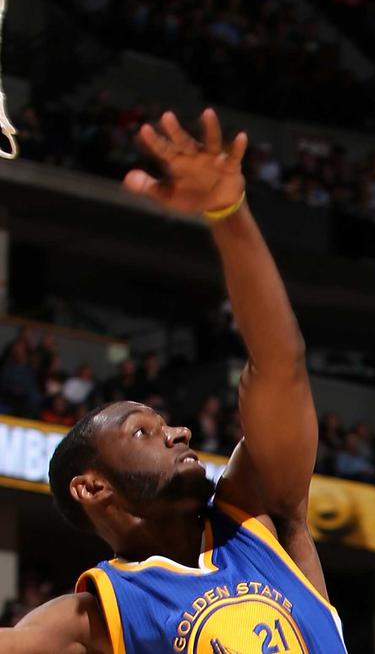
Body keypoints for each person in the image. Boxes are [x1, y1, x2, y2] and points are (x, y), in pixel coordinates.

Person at [0, 109, 347, 652]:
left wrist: (228, 212)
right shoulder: (93, 615)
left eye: (163, 424)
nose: (178, 433)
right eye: (141, 431)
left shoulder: (261, 519)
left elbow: (280, 363)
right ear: (92, 487)